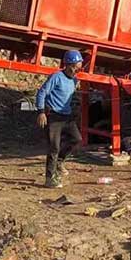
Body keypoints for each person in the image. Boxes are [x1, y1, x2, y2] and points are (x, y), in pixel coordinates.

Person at [36, 49, 84, 187]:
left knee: (77, 139)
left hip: (66, 116)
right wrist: (41, 112)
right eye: (75, 68)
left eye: (79, 68)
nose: (76, 71)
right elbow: (41, 93)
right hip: (54, 116)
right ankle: (49, 179)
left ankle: (60, 161)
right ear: (67, 65)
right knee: (54, 147)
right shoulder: (56, 77)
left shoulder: (74, 80)